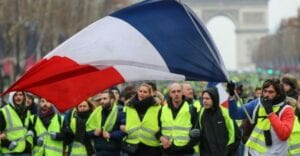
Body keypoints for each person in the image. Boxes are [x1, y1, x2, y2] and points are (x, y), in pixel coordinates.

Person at [227, 78, 294, 156]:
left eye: (271, 92)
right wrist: (232, 96)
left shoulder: (287, 109)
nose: (266, 95)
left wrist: (270, 113)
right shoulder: (257, 103)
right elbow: (235, 114)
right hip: (253, 153)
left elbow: (284, 135)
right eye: (265, 91)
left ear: (278, 94)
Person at [122, 83, 161, 156]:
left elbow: (162, 123)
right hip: (133, 144)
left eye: (145, 92)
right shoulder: (129, 106)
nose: (142, 93)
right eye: (140, 91)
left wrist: (159, 130)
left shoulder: (157, 107)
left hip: (151, 146)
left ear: (150, 94)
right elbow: (122, 120)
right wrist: (123, 126)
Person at [159, 82, 198, 156]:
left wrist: (188, 146)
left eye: (178, 91)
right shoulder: (162, 109)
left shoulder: (191, 109)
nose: (176, 94)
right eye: (173, 92)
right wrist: (161, 137)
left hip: (186, 152)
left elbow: (197, 131)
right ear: (170, 94)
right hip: (167, 152)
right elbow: (157, 129)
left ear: (182, 93)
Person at [196, 87, 237, 156]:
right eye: (203, 98)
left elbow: (236, 135)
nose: (204, 101)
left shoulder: (225, 113)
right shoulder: (201, 113)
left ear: (214, 98)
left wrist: (227, 152)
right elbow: (198, 132)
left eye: (207, 98)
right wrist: (193, 135)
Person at [92, 90, 125, 156]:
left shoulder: (120, 112)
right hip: (98, 151)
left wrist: (110, 135)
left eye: (105, 99)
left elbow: (124, 132)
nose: (102, 101)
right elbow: (88, 129)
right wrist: (93, 133)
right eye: (101, 99)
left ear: (112, 100)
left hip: (114, 152)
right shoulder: (97, 113)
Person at [0, 91, 33, 156]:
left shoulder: (27, 112)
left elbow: (31, 128)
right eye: (15, 95)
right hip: (9, 151)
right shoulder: (3, 111)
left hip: (25, 150)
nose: (18, 97)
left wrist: (29, 142)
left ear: (24, 97)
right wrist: (7, 144)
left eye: (21, 95)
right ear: (11, 97)